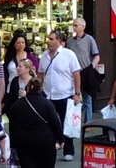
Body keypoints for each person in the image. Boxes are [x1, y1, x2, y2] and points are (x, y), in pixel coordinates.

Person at [37, 30, 81, 162]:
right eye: (48, 38)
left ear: (59, 41)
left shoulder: (68, 54)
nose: (48, 41)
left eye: (51, 39)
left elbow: (76, 74)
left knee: (66, 123)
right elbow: (41, 74)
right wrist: (38, 90)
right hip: (48, 94)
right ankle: (50, 147)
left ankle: (69, 150)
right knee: (48, 123)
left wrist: (77, 93)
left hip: (65, 94)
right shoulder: (44, 55)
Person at [5, 77, 63, 168]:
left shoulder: (17, 104)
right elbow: (55, 122)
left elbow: (12, 124)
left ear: (27, 88)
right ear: (41, 88)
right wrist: (61, 139)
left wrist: (13, 143)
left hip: (24, 142)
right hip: (45, 142)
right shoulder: (47, 104)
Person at [68, 18, 101, 124]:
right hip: (73, 73)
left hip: (86, 72)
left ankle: (88, 122)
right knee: (73, 97)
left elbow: (97, 56)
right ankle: (73, 120)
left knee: (87, 99)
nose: (74, 27)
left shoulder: (89, 39)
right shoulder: (70, 41)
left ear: (83, 27)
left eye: (76, 25)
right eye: (73, 25)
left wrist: (91, 68)